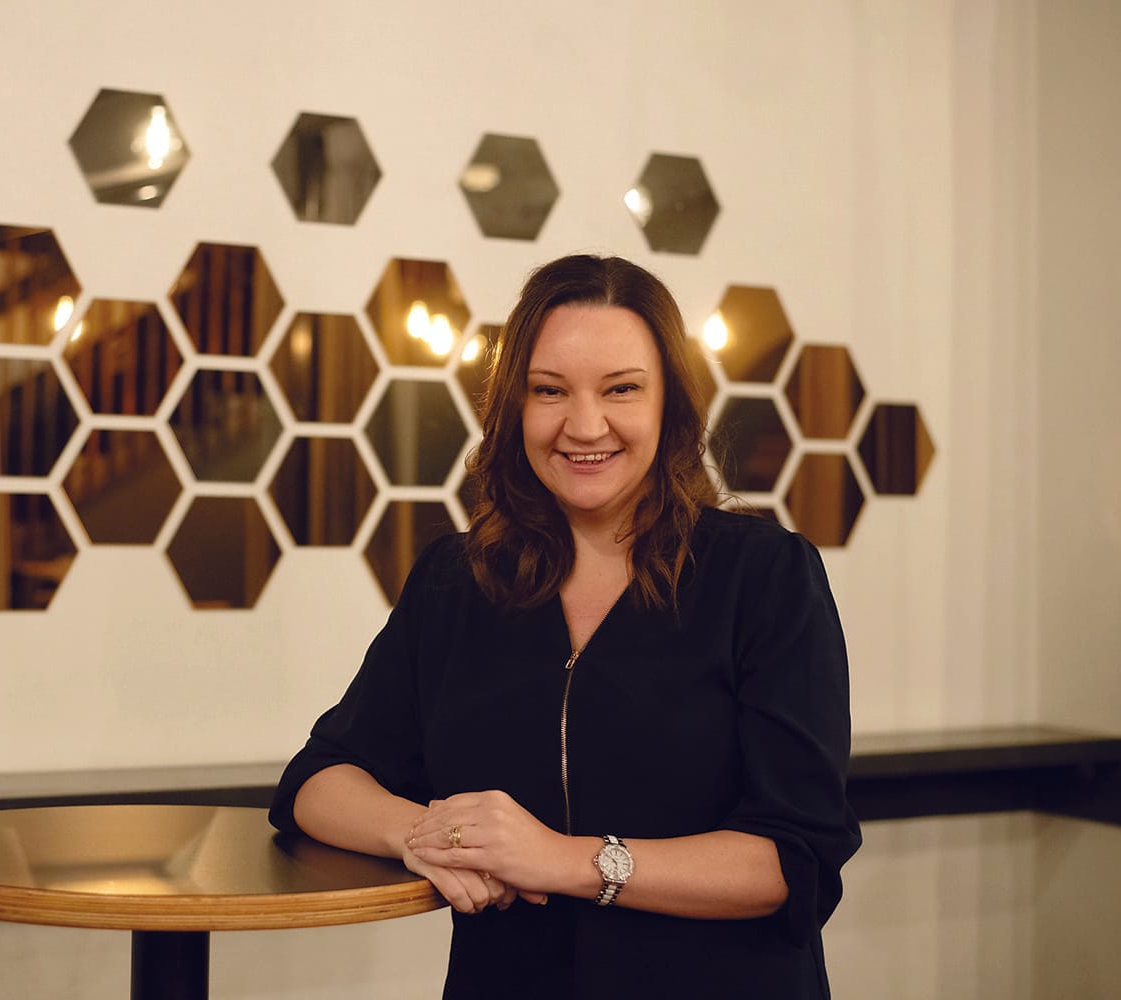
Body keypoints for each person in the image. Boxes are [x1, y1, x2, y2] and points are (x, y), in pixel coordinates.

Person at [269, 253, 861, 998]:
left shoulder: (765, 576)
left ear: (670, 405)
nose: (584, 426)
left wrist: (564, 859)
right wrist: (423, 835)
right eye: (549, 390)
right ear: (513, 408)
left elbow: (793, 858)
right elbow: (317, 781)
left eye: (622, 389)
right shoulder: (457, 580)